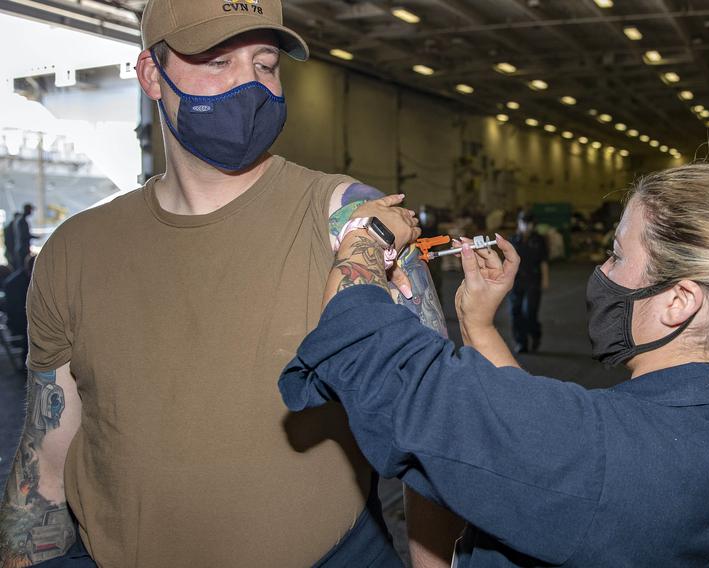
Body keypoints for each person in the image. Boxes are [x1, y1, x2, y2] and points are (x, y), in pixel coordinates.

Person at [0, 1, 461, 566]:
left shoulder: (355, 225)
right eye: (218, 62)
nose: (251, 86)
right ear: (151, 74)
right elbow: (46, 457)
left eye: (265, 65)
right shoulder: (74, 252)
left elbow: (436, 439)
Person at [279, 163, 709, 566]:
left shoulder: (603, 455)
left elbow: (365, 348)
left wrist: (363, 241)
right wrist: (478, 326)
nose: (603, 271)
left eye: (617, 254)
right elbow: (536, 438)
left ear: (679, 301)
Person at [508, 211, 549, 353]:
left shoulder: (539, 240)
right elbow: (507, 262)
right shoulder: (513, 240)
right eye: (523, 222)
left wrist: (545, 280)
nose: (526, 226)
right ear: (518, 223)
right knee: (516, 312)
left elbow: (543, 261)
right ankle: (521, 342)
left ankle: (535, 335)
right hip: (516, 281)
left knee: (530, 312)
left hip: (533, 280)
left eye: (529, 223)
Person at [13, 205, 34, 270]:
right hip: (23, 249)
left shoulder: (20, 220)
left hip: (22, 248)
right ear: (27, 210)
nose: (31, 212)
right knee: (24, 269)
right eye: (31, 210)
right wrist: (36, 237)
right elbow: (24, 235)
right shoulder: (22, 221)